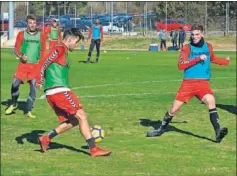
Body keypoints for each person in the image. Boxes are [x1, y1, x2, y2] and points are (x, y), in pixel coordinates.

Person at [36, 28, 112, 157]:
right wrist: (40, 79)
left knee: (74, 120)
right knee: (81, 116)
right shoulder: (59, 49)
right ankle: (93, 149)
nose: (76, 45)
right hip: (59, 90)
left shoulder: (62, 51)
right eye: (76, 42)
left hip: (54, 92)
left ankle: (46, 138)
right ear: (69, 40)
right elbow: (44, 62)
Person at [147, 24, 230, 143]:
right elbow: (181, 66)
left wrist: (226, 62)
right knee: (174, 109)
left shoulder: (208, 46)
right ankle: (160, 129)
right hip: (188, 84)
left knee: (211, 101)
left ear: (202, 34)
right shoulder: (187, 48)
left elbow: (213, 59)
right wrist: (197, 59)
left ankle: (218, 133)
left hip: (203, 83)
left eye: (197, 34)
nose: (194, 37)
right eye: (192, 34)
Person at [5, 15, 47, 118]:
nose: (32, 25)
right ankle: (14, 103)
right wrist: (21, 56)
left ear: (36, 23)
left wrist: (41, 67)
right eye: (30, 23)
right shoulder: (21, 34)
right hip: (23, 65)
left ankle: (28, 110)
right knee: (15, 84)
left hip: (35, 66)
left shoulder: (41, 36)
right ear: (27, 23)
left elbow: (43, 52)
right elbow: (16, 49)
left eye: (34, 23)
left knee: (33, 86)